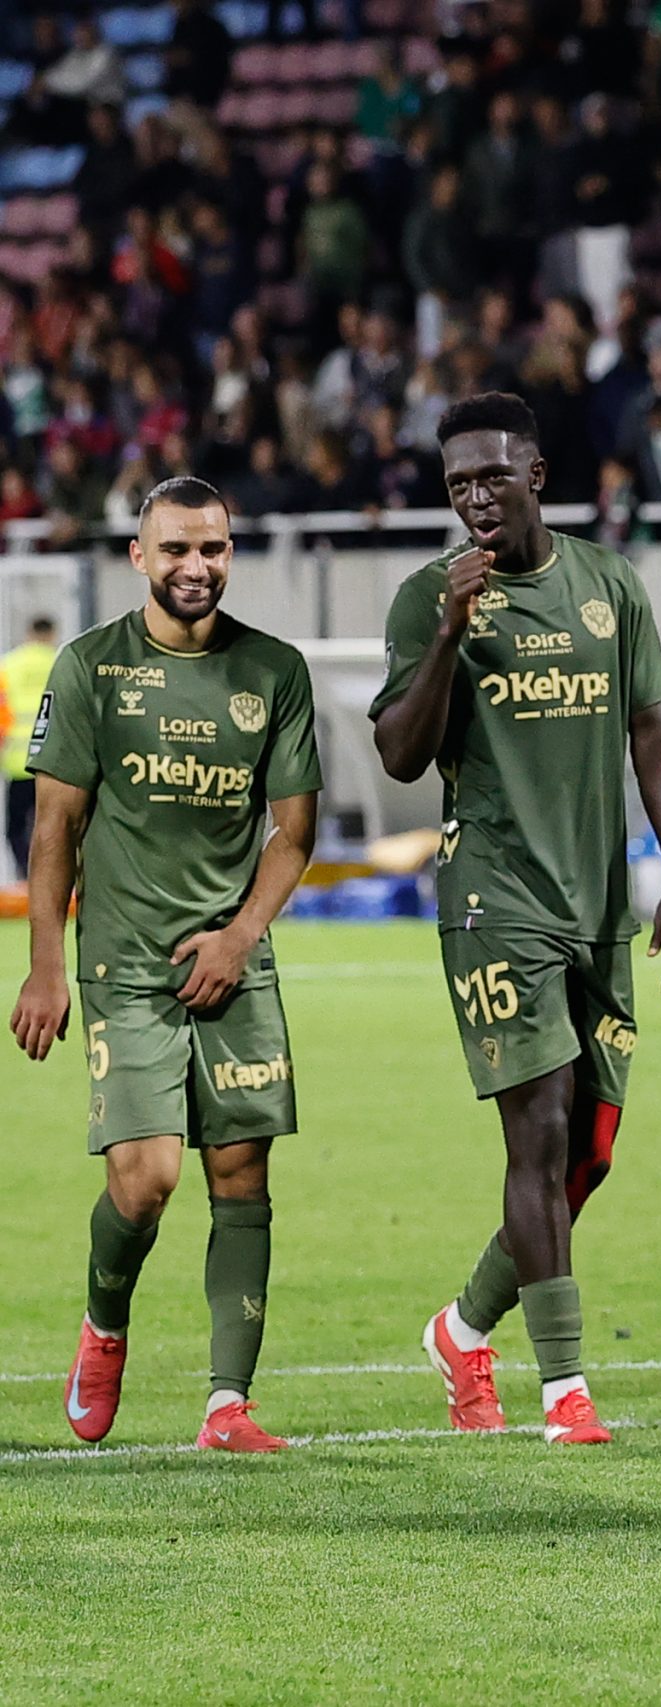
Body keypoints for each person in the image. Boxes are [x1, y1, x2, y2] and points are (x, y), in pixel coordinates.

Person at [371, 391, 661, 1449]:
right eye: (458, 483)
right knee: (542, 1129)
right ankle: (567, 1390)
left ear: (536, 477)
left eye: (492, 477)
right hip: (492, 900)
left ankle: (463, 1327)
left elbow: (653, 726)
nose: (475, 498)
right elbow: (400, 754)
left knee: (588, 1154)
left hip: (596, 904)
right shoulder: (427, 597)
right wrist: (447, 634)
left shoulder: (608, 584)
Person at [9, 477, 320, 1453]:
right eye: (177, 549)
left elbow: (294, 832)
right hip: (127, 966)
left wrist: (240, 937)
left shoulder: (274, 671)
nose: (196, 566)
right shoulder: (91, 667)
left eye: (212, 548)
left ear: (231, 554)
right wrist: (46, 967)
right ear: (139, 556)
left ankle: (228, 1406)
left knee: (241, 1172)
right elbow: (53, 828)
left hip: (234, 964)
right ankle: (105, 1324)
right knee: (146, 1180)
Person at [4, 615, 60, 877]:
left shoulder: (9, 665)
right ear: (51, 634)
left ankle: (25, 876)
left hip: (18, 760)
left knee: (16, 827)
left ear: (29, 633)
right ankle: (49, 877)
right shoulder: (61, 662)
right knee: (52, 826)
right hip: (54, 761)